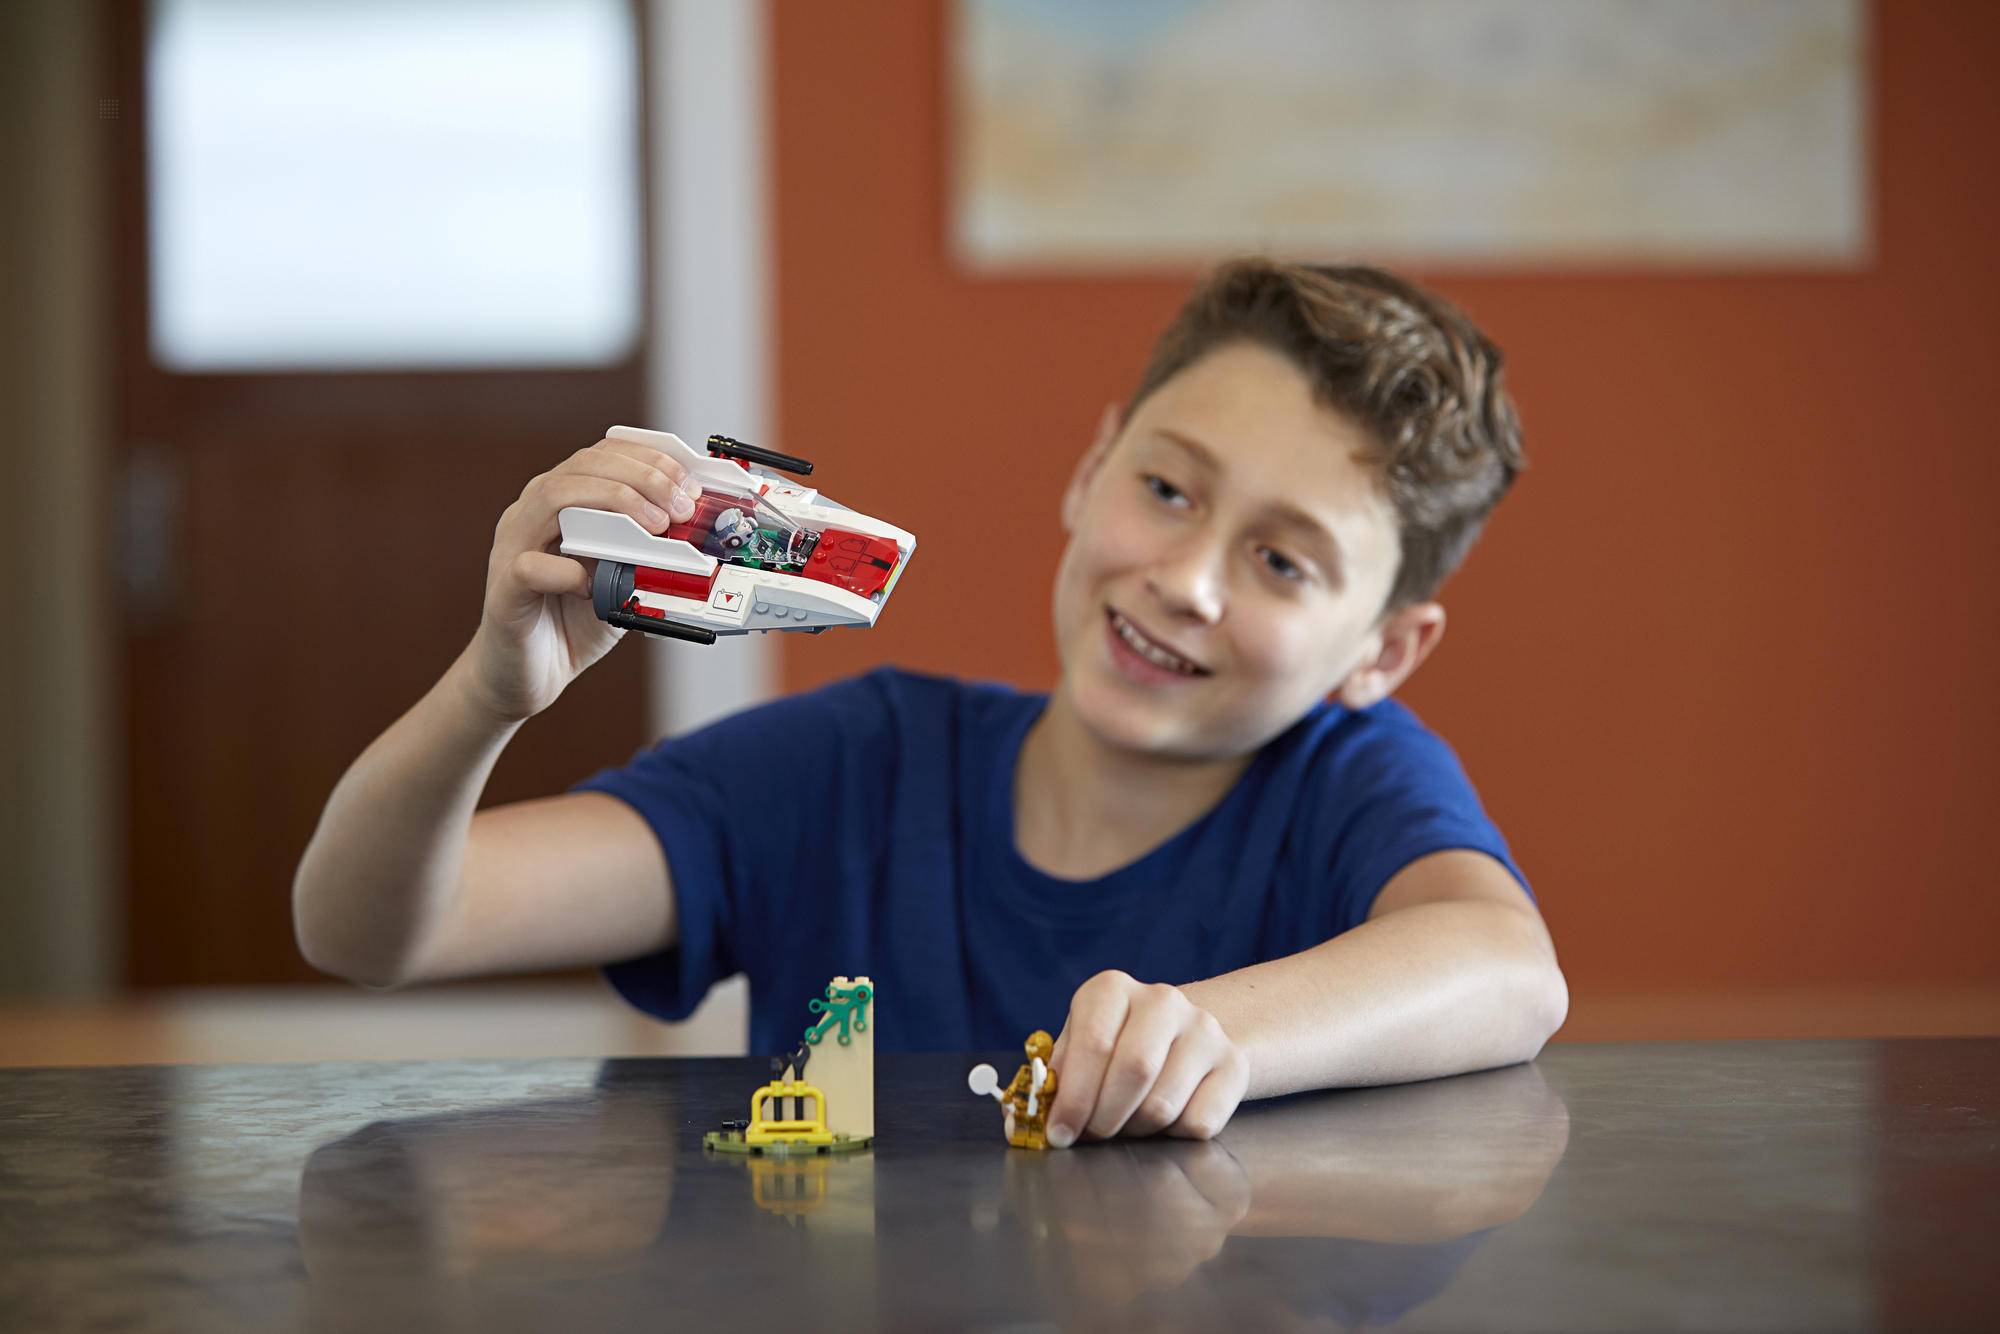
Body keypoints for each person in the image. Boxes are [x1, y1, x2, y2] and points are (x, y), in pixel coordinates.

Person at [293, 258, 1568, 1148]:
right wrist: (487, 691)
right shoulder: (855, 763)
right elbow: (366, 929)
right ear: (1091, 467)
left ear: (1382, 651)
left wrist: (1207, 1031)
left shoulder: (1351, 779)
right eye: (1167, 490)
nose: (1185, 581)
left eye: (1280, 561)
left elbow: (1508, 969)